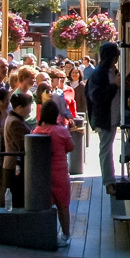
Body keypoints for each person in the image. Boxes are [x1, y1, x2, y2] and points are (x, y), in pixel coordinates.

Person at [33, 100, 74, 247]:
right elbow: (71, 146)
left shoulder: (36, 131)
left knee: (46, 205)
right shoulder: (61, 131)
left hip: (43, 174)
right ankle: (65, 234)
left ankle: (47, 233)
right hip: (60, 173)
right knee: (63, 205)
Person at [87, 41, 122, 195]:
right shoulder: (98, 74)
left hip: (114, 117)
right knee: (106, 150)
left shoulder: (111, 71)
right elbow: (96, 97)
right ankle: (109, 182)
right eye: (115, 57)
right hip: (105, 118)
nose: (116, 60)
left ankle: (111, 179)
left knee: (107, 148)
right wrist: (115, 86)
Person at [2, 90, 33, 210]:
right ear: (20, 107)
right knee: (16, 199)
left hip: (14, 164)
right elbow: (24, 143)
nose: (30, 109)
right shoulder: (15, 122)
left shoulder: (14, 119)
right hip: (15, 165)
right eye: (28, 106)